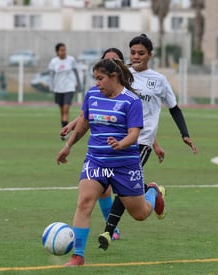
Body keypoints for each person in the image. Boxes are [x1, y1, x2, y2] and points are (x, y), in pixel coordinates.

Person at [61, 35, 198, 250]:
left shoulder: (157, 80)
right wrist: (71, 129)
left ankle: (115, 222)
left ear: (150, 55)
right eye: (133, 52)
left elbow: (162, 112)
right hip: (107, 148)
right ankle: (96, 241)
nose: (136, 57)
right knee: (96, 195)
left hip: (139, 142)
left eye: (140, 53)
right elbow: (95, 113)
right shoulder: (120, 79)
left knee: (131, 202)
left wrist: (180, 135)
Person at [56, 58, 166, 267]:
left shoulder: (131, 101)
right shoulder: (92, 95)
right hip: (96, 161)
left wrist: (120, 143)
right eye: (95, 79)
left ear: (113, 77)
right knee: (85, 201)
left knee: (140, 214)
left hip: (125, 165)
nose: (97, 83)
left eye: (100, 78)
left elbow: (135, 134)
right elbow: (84, 123)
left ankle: (152, 191)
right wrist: (68, 146)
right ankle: (78, 256)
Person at [48, 43, 81, 138]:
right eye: (61, 50)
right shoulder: (54, 62)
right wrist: (51, 87)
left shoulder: (71, 60)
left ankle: (65, 133)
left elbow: (76, 72)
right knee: (62, 111)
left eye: (64, 50)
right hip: (58, 89)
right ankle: (64, 128)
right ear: (57, 52)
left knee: (66, 109)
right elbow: (51, 76)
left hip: (69, 88)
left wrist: (78, 84)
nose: (63, 52)